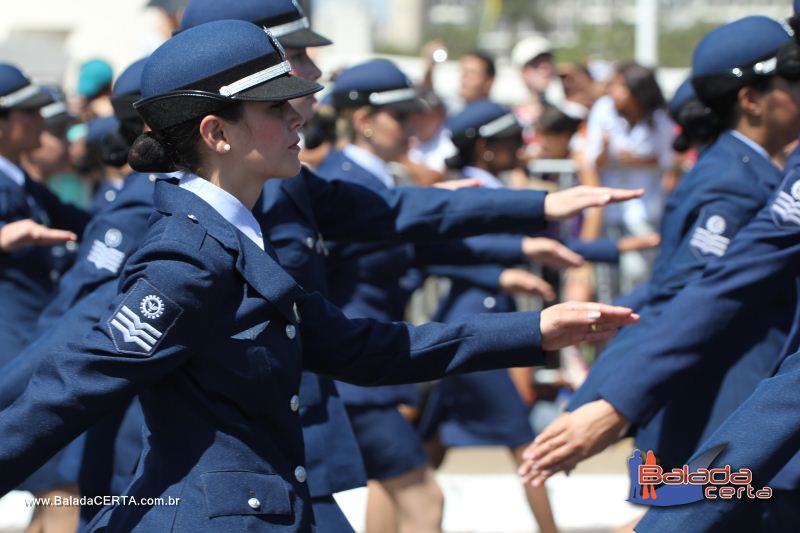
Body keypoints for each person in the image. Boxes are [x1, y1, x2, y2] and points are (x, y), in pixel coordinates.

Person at [0, 19, 638, 532]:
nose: (301, 116)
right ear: (216, 133)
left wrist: (535, 331)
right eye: (275, 107)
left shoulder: (233, 237)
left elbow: (362, 347)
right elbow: (69, 386)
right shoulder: (187, 261)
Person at [519, 16, 800, 504]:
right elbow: (689, 297)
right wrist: (610, 402)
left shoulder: (749, 170)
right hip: (720, 410)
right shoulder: (731, 183)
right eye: (792, 81)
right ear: (751, 100)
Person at [0, 63, 90, 364]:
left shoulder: (18, 179)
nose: (40, 120)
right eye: (28, 111)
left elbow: (84, 221)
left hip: (32, 330)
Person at [580, 62, 674, 298]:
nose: (614, 92)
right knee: (607, 280)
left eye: (621, 86)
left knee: (638, 273)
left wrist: (633, 160)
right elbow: (591, 160)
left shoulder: (660, 117)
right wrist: (604, 150)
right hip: (610, 209)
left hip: (644, 208)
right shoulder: (603, 109)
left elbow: (667, 160)